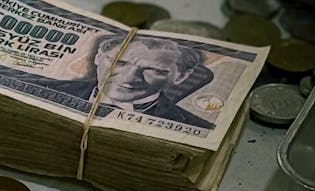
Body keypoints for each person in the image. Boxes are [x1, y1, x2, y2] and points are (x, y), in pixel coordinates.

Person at [12, 34, 216, 127]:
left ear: (181, 76)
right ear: (98, 57)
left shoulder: (195, 127)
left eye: (153, 70)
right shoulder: (37, 89)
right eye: (119, 62)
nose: (129, 78)